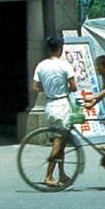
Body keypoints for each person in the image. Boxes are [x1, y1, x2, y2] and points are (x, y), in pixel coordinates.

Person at [32, 36, 77, 188]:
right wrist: (65, 89)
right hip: (62, 105)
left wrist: (48, 89)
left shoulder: (41, 66)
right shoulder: (65, 65)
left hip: (49, 105)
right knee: (58, 142)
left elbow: (35, 87)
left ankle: (62, 174)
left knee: (60, 141)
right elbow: (74, 86)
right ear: (60, 48)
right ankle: (48, 175)